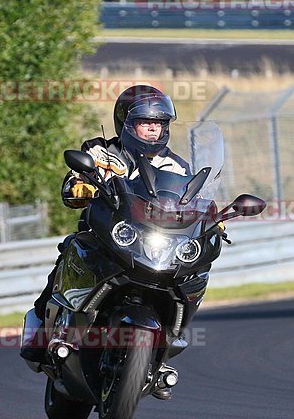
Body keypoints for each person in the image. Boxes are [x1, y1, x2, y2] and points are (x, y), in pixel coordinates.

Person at [22, 86, 191, 398]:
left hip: (152, 243)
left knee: (189, 273)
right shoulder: (101, 152)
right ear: (125, 123)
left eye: (160, 123)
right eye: (145, 122)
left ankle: (161, 353)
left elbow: (191, 201)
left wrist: (211, 218)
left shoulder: (178, 166)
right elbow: (73, 183)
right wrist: (80, 188)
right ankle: (41, 332)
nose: (154, 128)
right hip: (104, 235)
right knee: (72, 249)